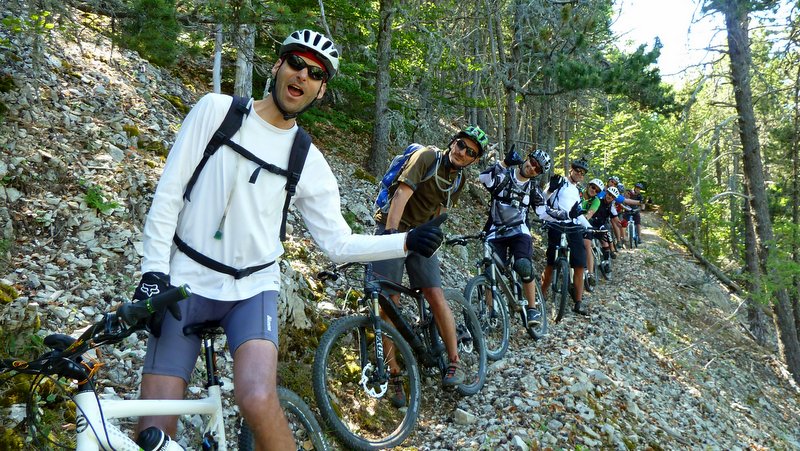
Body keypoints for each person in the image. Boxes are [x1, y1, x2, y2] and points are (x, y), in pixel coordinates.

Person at [131, 29, 446, 450]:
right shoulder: (216, 111)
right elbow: (168, 195)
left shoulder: (307, 159)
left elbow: (336, 243)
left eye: (315, 73)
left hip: (253, 288)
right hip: (186, 278)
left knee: (258, 398)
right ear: (277, 65)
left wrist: (403, 243)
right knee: (153, 429)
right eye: (296, 62)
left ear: (320, 90)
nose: (303, 75)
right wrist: (153, 271)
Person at [372, 125, 488, 400]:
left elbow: (442, 210)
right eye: (461, 145)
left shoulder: (458, 181)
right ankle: (394, 372)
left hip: (422, 234)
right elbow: (401, 195)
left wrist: (434, 235)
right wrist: (390, 237)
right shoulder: (425, 158)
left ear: (473, 160)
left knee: (435, 294)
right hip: (394, 227)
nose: (462, 152)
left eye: (470, 152)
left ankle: (454, 362)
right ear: (453, 142)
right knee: (390, 303)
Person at [478, 147, 574, 327]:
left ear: (538, 174)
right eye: (532, 162)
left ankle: (532, 308)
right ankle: (490, 312)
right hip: (495, 231)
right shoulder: (504, 176)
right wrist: (504, 163)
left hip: (519, 232)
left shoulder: (533, 189)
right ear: (527, 159)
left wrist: (568, 214)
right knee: (489, 270)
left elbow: (544, 212)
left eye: (537, 169)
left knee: (523, 265)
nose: (532, 168)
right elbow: (483, 178)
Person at [541, 158, 592, 315]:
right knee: (550, 263)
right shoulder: (560, 181)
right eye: (577, 170)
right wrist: (550, 190)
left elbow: (577, 214)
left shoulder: (577, 191)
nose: (579, 174)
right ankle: (540, 296)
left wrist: (590, 228)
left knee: (579, 264)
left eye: (582, 173)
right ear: (571, 169)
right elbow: (542, 198)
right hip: (556, 223)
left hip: (572, 226)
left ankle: (578, 302)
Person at [581, 178, 604, 289]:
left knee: (587, 245)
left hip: (586, 223)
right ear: (589, 186)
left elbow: (590, 213)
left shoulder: (596, 201)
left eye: (597, 190)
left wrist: (584, 218)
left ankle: (590, 274)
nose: (594, 190)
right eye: (593, 187)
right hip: (571, 222)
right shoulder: (578, 193)